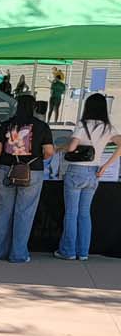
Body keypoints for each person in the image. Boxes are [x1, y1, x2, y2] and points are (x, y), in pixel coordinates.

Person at [0, 94, 54, 263]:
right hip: (32, 171)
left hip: (6, 171)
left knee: (4, 211)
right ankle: (18, 254)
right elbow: (49, 152)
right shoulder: (41, 126)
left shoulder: (5, 125)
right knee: (24, 213)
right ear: (33, 107)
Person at [54, 92, 118, 262]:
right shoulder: (108, 128)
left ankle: (68, 251)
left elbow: (71, 147)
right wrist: (105, 166)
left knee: (71, 213)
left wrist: (61, 147)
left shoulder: (82, 126)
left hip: (76, 171)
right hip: (94, 172)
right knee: (84, 214)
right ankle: (83, 252)